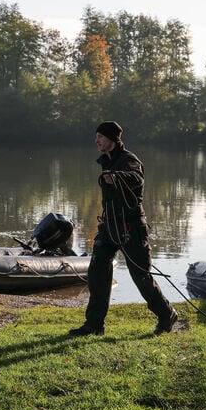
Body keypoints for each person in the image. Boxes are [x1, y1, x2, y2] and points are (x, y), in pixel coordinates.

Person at [70, 122, 178, 336]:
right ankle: (94, 325)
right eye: (96, 136)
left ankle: (167, 315)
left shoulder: (129, 160)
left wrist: (118, 176)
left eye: (100, 136)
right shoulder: (106, 161)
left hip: (131, 228)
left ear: (112, 138)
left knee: (141, 277)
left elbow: (137, 178)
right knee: (97, 274)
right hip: (109, 227)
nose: (97, 140)